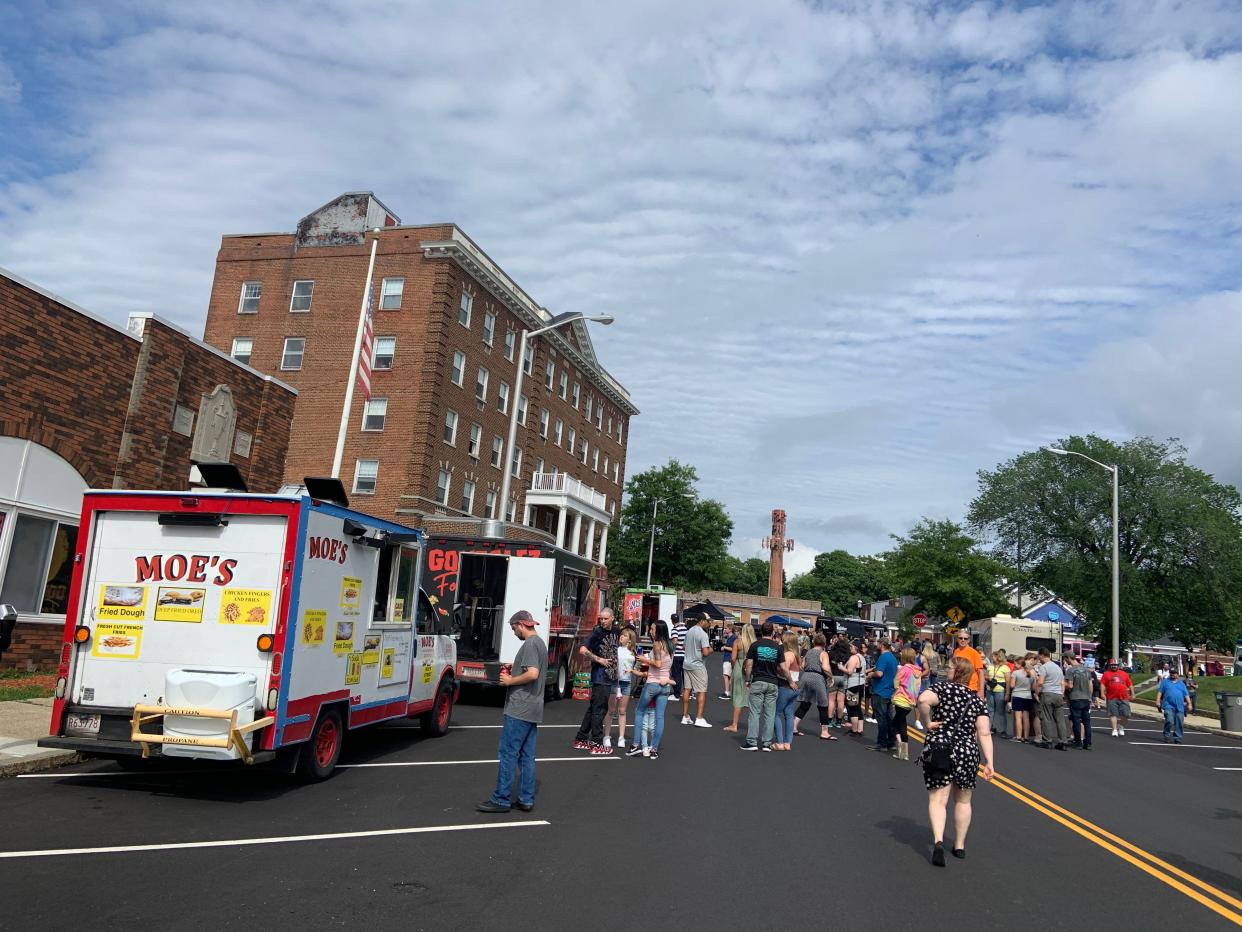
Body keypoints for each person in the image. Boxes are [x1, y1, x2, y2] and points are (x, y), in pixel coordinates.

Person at [917, 656, 995, 866]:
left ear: (956, 672)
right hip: (967, 751)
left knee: (938, 800)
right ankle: (959, 845)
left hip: (940, 747)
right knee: (963, 800)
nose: (947, 670)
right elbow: (984, 733)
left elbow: (923, 700)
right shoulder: (977, 700)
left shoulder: (942, 689)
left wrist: (928, 722)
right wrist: (989, 761)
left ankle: (939, 841)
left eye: (949, 667)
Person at [477, 610, 548, 813]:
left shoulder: (530, 644)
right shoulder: (540, 643)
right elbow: (532, 671)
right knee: (526, 756)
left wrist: (510, 680)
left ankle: (501, 799)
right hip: (533, 707)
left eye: (513, 628)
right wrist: (516, 668)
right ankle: (526, 798)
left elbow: (532, 674)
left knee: (508, 752)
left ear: (521, 625)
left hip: (520, 708)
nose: (513, 631)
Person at [573, 607, 618, 755]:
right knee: (600, 710)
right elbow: (583, 650)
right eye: (601, 619)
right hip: (600, 676)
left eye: (605, 618)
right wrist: (599, 659)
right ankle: (596, 743)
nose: (603, 621)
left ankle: (581, 738)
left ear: (612, 618)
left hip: (610, 676)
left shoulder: (616, 631)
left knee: (593, 708)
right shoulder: (597, 632)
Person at [628, 621, 674, 758]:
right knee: (659, 717)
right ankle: (654, 749)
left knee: (639, 711)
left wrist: (644, 659)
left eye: (653, 629)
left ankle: (636, 745)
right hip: (665, 684)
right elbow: (666, 666)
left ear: (659, 631)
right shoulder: (670, 645)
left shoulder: (657, 644)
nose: (650, 631)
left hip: (653, 683)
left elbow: (658, 664)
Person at [741, 621, 789, 751]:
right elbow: (784, 668)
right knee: (770, 714)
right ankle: (767, 743)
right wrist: (790, 680)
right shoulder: (778, 647)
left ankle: (752, 742)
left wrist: (747, 679)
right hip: (773, 682)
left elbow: (749, 665)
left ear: (761, 631)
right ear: (772, 632)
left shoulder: (755, 645)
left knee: (755, 713)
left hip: (758, 680)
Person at [794, 633, 836, 741]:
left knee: (805, 703)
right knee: (823, 705)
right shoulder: (823, 653)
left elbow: (802, 666)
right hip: (817, 678)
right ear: (824, 643)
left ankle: (793, 727)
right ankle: (825, 732)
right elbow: (825, 667)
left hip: (806, 676)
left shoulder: (809, 652)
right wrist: (831, 677)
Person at [605, 627, 637, 750]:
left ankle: (621, 737)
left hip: (626, 683)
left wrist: (634, 670)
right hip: (615, 682)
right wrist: (614, 672)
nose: (621, 637)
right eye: (621, 635)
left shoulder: (633, 652)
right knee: (611, 710)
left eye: (624, 636)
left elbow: (637, 665)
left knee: (622, 711)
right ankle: (606, 736)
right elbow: (611, 663)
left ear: (629, 640)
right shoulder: (616, 650)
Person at [680, 613, 714, 727]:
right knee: (702, 691)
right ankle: (699, 718)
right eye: (708, 621)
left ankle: (685, 716)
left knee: (687, 689)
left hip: (687, 664)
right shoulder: (703, 634)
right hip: (697, 665)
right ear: (702, 621)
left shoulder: (689, 631)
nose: (709, 623)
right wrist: (711, 650)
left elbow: (684, 647)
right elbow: (705, 652)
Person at [1034, 648, 1069, 750]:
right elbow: (1062, 683)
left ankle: (1047, 741)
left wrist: (1036, 693)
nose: (1038, 659)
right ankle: (1063, 742)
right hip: (1058, 694)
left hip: (1048, 693)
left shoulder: (1044, 667)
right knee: (1060, 719)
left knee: (1047, 718)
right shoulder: (1058, 667)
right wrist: (1062, 694)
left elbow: (1040, 682)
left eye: (1039, 656)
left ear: (1042, 655)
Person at [724, 622, 756, 733]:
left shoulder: (738, 642)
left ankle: (734, 724)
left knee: (738, 696)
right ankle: (752, 724)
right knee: (750, 698)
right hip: (751, 669)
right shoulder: (755, 643)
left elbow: (733, 658)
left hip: (739, 667)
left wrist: (734, 668)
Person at [772, 632, 802, 750]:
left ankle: (780, 742)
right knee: (789, 714)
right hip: (795, 688)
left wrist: (776, 669)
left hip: (785, 686)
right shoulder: (796, 655)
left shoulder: (788, 654)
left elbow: (785, 669)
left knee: (775, 713)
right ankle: (787, 742)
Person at [891, 646, 921, 760]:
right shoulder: (918, 671)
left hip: (901, 699)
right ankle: (903, 752)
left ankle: (902, 751)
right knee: (901, 724)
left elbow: (895, 682)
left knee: (895, 725)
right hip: (911, 702)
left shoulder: (904, 669)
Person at [868, 638, 898, 752]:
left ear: (882, 645)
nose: (876, 644)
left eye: (878, 643)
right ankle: (891, 742)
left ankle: (882, 743)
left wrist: (871, 675)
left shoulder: (883, 657)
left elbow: (879, 673)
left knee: (881, 719)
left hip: (880, 691)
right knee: (889, 718)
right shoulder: (893, 658)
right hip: (889, 691)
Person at [1064, 653, 1094, 750]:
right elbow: (1090, 684)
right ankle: (1088, 742)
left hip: (1075, 697)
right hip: (1086, 698)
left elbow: (1070, 685)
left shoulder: (1070, 670)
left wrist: (1064, 687)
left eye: (1065, 659)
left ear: (1068, 658)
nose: (1065, 661)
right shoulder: (1086, 670)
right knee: (1087, 722)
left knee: (1076, 721)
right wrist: (1090, 697)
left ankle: (1078, 742)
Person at [1157, 668, 1191, 744]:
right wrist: (1158, 701)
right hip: (1168, 705)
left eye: (1174, 673)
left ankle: (1178, 738)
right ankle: (1166, 734)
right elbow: (1160, 692)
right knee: (1169, 720)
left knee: (1179, 722)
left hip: (1180, 706)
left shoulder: (1181, 683)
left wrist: (1189, 703)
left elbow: (1186, 694)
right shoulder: (1165, 682)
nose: (1172, 674)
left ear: (1177, 674)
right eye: (1171, 673)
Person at [1008, 655, 1036, 743]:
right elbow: (1033, 688)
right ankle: (1026, 737)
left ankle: (1019, 736)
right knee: (1026, 718)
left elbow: (1012, 685)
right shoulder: (1031, 675)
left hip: (1017, 695)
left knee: (1018, 717)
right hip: (1028, 696)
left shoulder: (1016, 673)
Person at [952, 632, 986, 700]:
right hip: (958, 686)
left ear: (968, 640)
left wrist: (981, 691)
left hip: (971, 687)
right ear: (957, 639)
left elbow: (981, 672)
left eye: (965, 638)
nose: (963, 640)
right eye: (960, 638)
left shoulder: (974, 653)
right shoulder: (956, 651)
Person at [827, 634, 852, 728]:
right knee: (841, 701)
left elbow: (827, 665)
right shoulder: (848, 655)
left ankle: (829, 721)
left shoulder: (831, 653)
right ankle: (838, 721)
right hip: (843, 677)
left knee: (831, 700)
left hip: (833, 676)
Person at [844, 640, 867, 737]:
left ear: (856, 648)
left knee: (852, 707)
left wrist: (840, 667)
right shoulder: (862, 658)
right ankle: (860, 729)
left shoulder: (854, 657)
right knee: (858, 707)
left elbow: (849, 671)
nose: (850, 648)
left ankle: (854, 730)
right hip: (861, 683)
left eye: (852, 646)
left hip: (853, 684)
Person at [987, 650, 1010, 738]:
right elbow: (987, 675)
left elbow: (1008, 682)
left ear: (998, 657)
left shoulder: (1005, 668)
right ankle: (988, 729)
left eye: (993, 656)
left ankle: (1003, 731)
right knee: (990, 710)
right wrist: (987, 677)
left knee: (1001, 711)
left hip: (1000, 690)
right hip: (990, 689)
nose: (992, 658)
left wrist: (1007, 693)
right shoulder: (990, 666)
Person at [670, 612, 687, 700]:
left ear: (672, 621)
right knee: (685, 675)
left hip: (677, 655)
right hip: (685, 655)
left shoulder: (674, 629)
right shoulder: (684, 628)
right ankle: (687, 693)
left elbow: (674, 641)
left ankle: (676, 694)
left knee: (676, 675)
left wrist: (679, 647)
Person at [719, 623, 738, 698]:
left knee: (725, 675)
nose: (725, 629)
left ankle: (727, 692)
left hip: (729, 659)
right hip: (727, 658)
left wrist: (725, 647)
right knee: (728, 676)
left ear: (730, 629)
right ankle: (729, 691)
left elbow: (734, 649)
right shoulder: (729, 637)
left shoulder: (733, 638)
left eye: (726, 628)